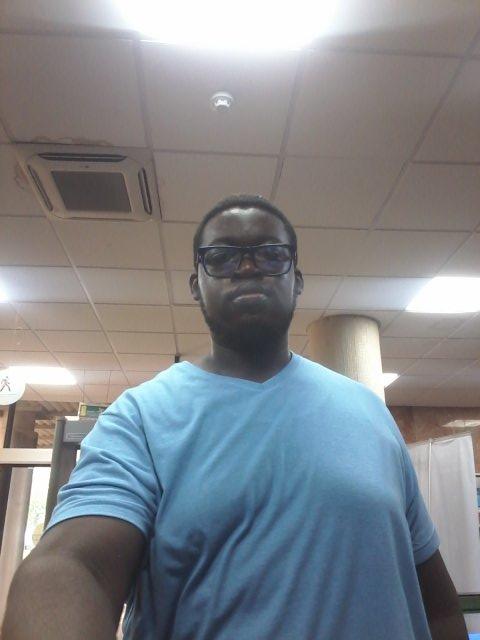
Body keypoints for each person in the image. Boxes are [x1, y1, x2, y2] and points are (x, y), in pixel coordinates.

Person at [2, 195, 467, 640]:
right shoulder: (140, 418)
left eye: (270, 254)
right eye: (222, 257)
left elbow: (439, 608)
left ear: (297, 280)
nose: (247, 267)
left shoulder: (370, 413)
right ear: (195, 285)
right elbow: (73, 566)